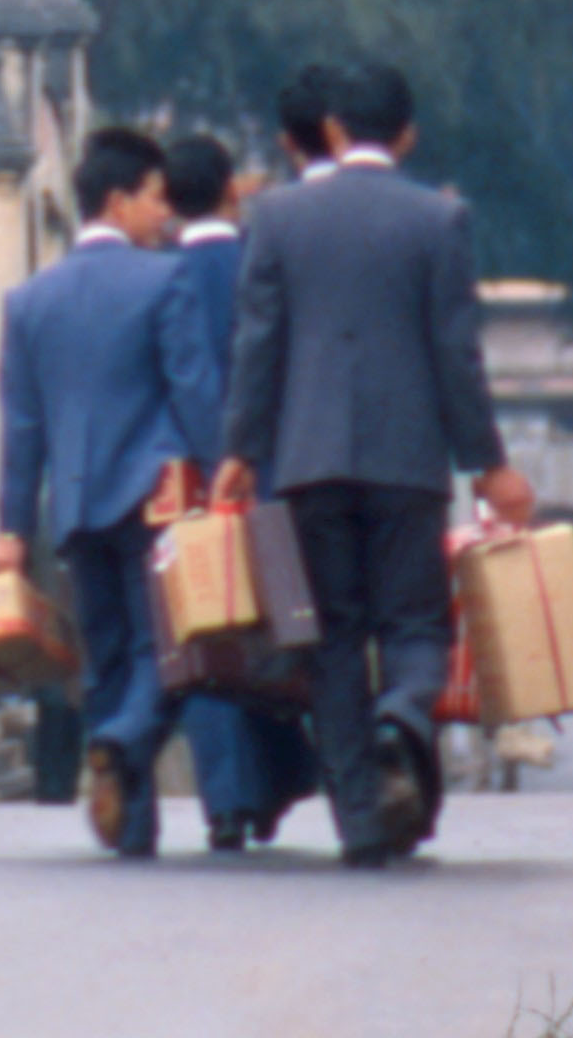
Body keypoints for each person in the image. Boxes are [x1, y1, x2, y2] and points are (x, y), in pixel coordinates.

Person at [213, 63, 533, 869]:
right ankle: (405, 714)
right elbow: (455, 353)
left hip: (308, 461)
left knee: (330, 640)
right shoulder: (440, 218)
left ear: (331, 131)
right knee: (415, 623)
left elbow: (258, 344)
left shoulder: (276, 216)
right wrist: (487, 463)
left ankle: (360, 817)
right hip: (407, 460)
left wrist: (241, 451)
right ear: (408, 134)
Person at [0, 123, 207, 857]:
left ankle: (129, 824)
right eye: (155, 199)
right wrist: (226, 469)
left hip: (75, 504)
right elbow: (193, 391)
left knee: (108, 657)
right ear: (117, 201)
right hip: (155, 494)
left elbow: (22, 428)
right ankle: (123, 741)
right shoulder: (165, 279)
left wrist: (12, 530)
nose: (166, 215)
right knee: (170, 647)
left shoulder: (29, 301)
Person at [151, 130, 318, 851]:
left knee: (203, 630)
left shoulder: (158, 277)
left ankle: (226, 798)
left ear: (165, 200)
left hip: (188, 482)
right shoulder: (270, 259)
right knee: (275, 627)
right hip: (277, 473)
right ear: (231, 189)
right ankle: (282, 770)